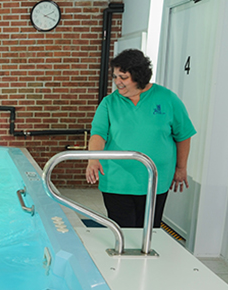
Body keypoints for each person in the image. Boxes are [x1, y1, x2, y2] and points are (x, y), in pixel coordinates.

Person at [84, 49, 196, 228]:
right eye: (115, 77)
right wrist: (93, 158)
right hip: (117, 180)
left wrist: (181, 167)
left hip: (155, 179)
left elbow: (183, 135)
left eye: (123, 77)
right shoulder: (109, 103)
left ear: (139, 76)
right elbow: (98, 134)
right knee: (123, 231)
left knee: (150, 231)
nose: (117, 82)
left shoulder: (167, 99)